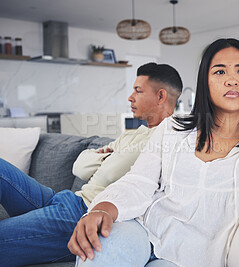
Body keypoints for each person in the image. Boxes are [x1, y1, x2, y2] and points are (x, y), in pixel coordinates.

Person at [68, 38, 239, 267]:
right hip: (141, 231)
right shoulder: (173, 127)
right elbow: (140, 180)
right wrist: (103, 207)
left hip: (191, 258)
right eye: (219, 71)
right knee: (100, 247)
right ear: (205, 81)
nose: (231, 79)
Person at [0, 62, 183, 266]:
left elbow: (112, 172)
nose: (130, 97)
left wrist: (110, 157)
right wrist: (112, 157)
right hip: (66, 200)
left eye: (138, 91)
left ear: (160, 96)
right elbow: (80, 168)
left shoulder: (169, 138)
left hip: (83, 215)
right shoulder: (135, 134)